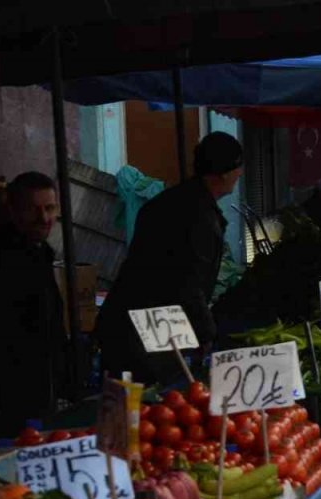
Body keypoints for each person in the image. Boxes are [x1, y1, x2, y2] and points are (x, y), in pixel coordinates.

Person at [98, 131, 242, 383]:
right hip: (149, 331)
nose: (240, 174)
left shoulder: (173, 200)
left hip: (131, 322)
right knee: (146, 403)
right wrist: (206, 333)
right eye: (239, 168)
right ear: (225, 172)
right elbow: (189, 283)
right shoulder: (199, 216)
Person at [0, 172, 69, 436]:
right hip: (13, 390)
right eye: (33, 209)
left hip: (43, 384)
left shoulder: (40, 252)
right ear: (13, 211)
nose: (44, 218)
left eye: (50, 208)